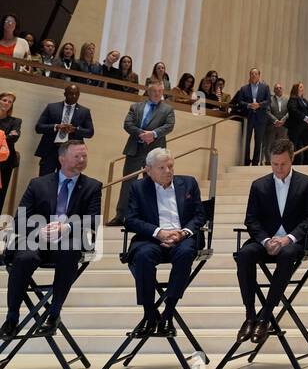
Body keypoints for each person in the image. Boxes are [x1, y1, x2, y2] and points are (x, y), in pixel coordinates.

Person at [0, 139, 101, 339]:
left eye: (84, 156)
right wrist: (40, 230)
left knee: (70, 251)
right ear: (62, 158)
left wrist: (67, 227)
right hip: (37, 239)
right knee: (24, 258)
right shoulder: (38, 184)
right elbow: (21, 218)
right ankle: (12, 317)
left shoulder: (92, 186)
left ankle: (54, 314)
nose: (82, 160)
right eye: (77, 156)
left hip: (68, 241)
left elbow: (93, 220)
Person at [233, 138, 308, 345]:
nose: (279, 168)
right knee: (244, 254)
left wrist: (287, 239)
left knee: (287, 254)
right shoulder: (258, 185)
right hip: (266, 241)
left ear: (292, 160)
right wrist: (265, 240)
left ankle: (265, 316)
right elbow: (251, 219)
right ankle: (250, 315)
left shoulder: (306, 183)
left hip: (295, 242)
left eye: (283, 164)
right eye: (274, 164)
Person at [123, 149, 205, 337]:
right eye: (162, 167)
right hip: (152, 239)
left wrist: (183, 233)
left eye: (170, 166)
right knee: (143, 256)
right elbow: (131, 220)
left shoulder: (189, 183)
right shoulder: (138, 188)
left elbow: (199, 216)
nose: (168, 171)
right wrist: (159, 233)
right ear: (148, 170)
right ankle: (149, 314)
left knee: (185, 254)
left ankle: (168, 314)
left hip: (182, 238)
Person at [114, 79, 176, 224]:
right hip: (135, 150)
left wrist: (153, 134)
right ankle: (120, 216)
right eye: (154, 91)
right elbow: (127, 124)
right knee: (127, 183)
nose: (157, 94)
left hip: (156, 154)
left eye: (160, 92)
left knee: (154, 184)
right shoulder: (136, 107)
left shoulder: (168, 109)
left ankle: (152, 217)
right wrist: (142, 134)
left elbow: (169, 126)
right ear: (148, 91)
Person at [34, 83, 95, 177]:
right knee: (44, 181)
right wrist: (56, 127)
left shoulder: (84, 111)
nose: (74, 96)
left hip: (71, 152)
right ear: (65, 94)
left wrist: (75, 130)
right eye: (71, 93)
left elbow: (90, 132)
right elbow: (39, 127)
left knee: (66, 181)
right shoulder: (52, 107)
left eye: (76, 94)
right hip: (51, 149)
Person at [232, 68, 271, 166]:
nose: (253, 75)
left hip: (260, 118)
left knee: (258, 141)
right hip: (248, 117)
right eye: (252, 74)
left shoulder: (265, 87)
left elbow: (268, 101)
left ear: (259, 75)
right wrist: (249, 105)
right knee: (246, 140)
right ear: (250, 75)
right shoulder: (244, 88)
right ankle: (246, 161)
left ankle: (255, 162)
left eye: (255, 74)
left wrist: (259, 105)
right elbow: (240, 101)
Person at [0, 92, 21, 203]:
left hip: (6, 163)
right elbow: (9, 137)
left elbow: (14, 138)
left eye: (10, 102)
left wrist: (2, 137)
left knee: (1, 194)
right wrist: (5, 136)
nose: (7, 103)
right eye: (4, 100)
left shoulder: (15, 121)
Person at [287, 82, 308, 163]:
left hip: (306, 128)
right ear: (296, 89)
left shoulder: (304, 100)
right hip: (296, 128)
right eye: (301, 87)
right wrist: (305, 118)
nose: (303, 89)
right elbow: (293, 110)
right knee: (296, 148)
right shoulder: (292, 99)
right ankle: (295, 164)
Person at [266, 82, 290, 148]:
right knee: (269, 147)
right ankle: (269, 159)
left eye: (280, 88)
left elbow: (289, 112)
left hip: (283, 127)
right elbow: (267, 111)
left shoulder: (287, 100)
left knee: (281, 147)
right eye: (277, 88)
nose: (279, 89)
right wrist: (276, 121)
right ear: (274, 90)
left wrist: (283, 120)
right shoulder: (269, 99)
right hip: (272, 127)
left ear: (282, 89)